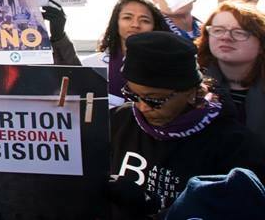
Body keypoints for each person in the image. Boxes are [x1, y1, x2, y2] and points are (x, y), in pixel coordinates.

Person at [109, 32, 265, 218]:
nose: (142, 107)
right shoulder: (118, 120)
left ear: (191, 92)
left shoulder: (235, 146)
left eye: (155, 100)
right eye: (132, 95)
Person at [196, 2, 265, 144]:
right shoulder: (191, 83)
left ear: (261, 44)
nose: (225, 37)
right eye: (218, 30)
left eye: (239, 32)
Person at [82, 0, 171, 105]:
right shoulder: (89, 66)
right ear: (116, 22)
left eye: (145, 20)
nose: (135, 25)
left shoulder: (168, 67)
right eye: (127, 18)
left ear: (155, 27)